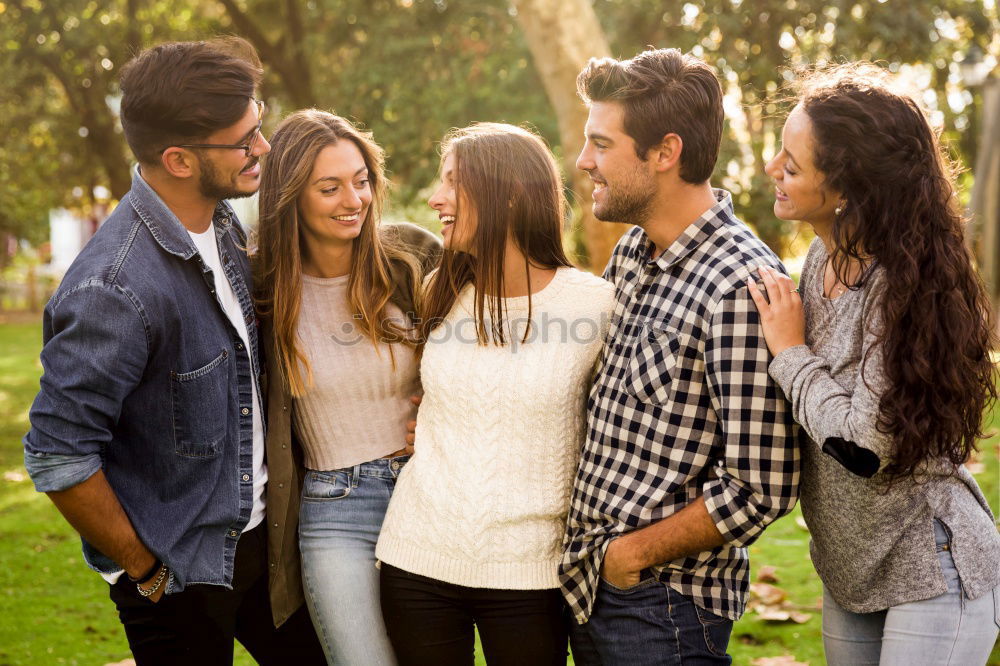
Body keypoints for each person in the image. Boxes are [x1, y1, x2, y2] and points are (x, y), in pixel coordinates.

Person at [21, 38, 323, 664]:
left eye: (258, 127)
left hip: (257, 546)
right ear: (179, 160)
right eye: (245, 141)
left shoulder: (221, 223)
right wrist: (143, 569)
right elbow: (57, 455)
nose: (262, 148)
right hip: (176, 575)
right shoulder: (115, 288)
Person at [747, 63, 1000, 665]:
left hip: (932, 565)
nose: (771, 169)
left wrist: (790, 353)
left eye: (792, 161)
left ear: (848, 189)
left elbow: (864, 446)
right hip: (849, 572)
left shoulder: (899, 286)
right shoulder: (816, 260)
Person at [559, 48, 800, 665]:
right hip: (597, 587)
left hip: (664, 606)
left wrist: (631, 557)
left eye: (601, 144)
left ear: (665, 153)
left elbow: (762, 485)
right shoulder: (633, 252)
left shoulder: (739, 286)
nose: (584, 161)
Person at [375, 122, 615, 665]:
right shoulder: (439, 289)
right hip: (417, 557)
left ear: (509, 193)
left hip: (533, 573)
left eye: (454, 182)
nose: (436, 198)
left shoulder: (595, 306)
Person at [252, 109, 441, 665]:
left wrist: (441, 404)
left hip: (427, 490)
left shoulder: (410, 256)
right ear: (291, 196)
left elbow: (482, 345)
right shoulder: (261, 286)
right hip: (335, 507)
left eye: (361, 181)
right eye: (329, 187)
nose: (353, 200)